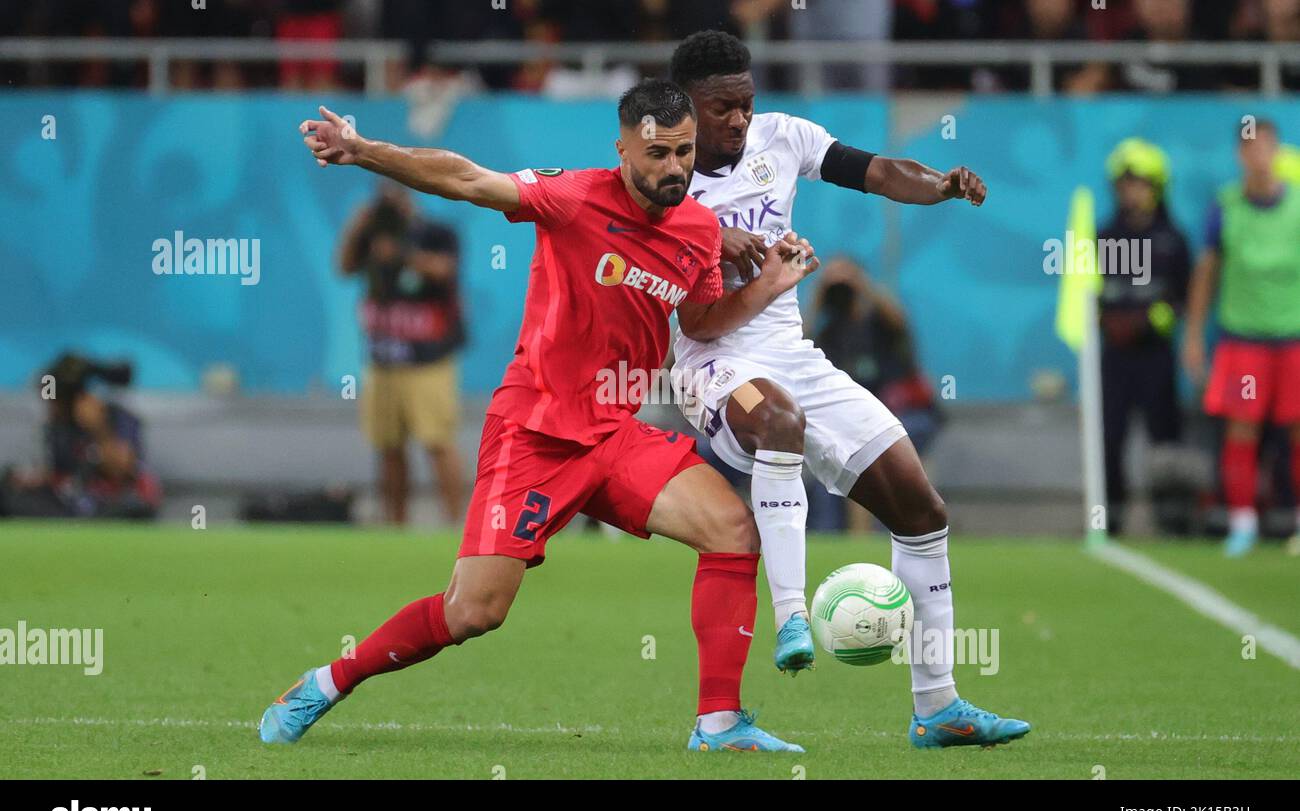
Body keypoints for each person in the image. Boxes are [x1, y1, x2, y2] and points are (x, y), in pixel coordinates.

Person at [260, 80, 821, 752]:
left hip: (616, 433)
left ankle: (719, 723)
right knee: (474, 612)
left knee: (733, 529)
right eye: (658, 153)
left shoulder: (700, 230)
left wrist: (766, 287)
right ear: (622, 149)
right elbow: (467, 179)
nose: (674, 167)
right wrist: (363, 150)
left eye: (684, 152)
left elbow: (700, 323)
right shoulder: (572, 198)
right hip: (535, 433)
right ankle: (326, 682)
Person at [668, 31, 1029, 749]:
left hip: (791, 355)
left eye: (746, 103)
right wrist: (718, 243)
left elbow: (876, 169)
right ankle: (793, 615)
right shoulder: (667, 181)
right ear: (686, 108)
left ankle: (938, 707)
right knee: (777, 418)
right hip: (710, 362)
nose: (739, 120)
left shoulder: (785, 137)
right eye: (721, 108)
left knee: (921, 509)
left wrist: (939, 186)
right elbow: (690, 311)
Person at [1183, 119, 1300, 558]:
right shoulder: (1226, 207)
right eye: (1251, 149)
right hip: (1243, 337)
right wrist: (1194, 335)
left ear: (1278, 151)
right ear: (1240, 156)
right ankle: (1242, 523)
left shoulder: (1297, 204)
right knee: (1241, 430)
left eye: (1267, 147)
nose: (1259, 156)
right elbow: (1206, 273)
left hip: (1294, 337)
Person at [338, 183, 467, 525]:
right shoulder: (370, 234)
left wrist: (403, 253)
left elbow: (445, 269)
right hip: (383, 360)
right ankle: (396, 524)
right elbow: (344, 266)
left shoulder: (435, 233)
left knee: (437, 441)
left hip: (429, 360)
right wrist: (358, 225)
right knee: (389, 445)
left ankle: (454, 523)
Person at [1096, 139, 1192, 535]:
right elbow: (1089, 292)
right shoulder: (1104, 235)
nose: (1130, 191)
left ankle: (1172, 519)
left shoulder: (1171, 239)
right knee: (1110, 436)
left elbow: (1183, 297)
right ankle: (1111, 518)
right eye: (1124, 183)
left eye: (1139, 183)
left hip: (1155, 356)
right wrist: (1108, 320)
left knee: (1164, 438)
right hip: (1115, 357)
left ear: (1156, 187)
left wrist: (1151, 320)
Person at [808, 257, 942, 533]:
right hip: (850, 423)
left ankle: (891, 533)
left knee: (886, 462)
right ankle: (830, 537)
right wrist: (821, 294)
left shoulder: (881, 324)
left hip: (902, 415)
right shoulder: (830, 333)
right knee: (826, 467)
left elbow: (898, 319)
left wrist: (860, 283)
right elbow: (801, 338)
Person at [0, 353, 160, 520]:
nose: (51, 407)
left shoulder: (117, 417)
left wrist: (98, 428)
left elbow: (121, 471)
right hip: (72, 503)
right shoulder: (58, 428)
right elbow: (64, 477)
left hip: (113, 502)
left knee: (133, 507)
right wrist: (33, 480)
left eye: (55, 400)